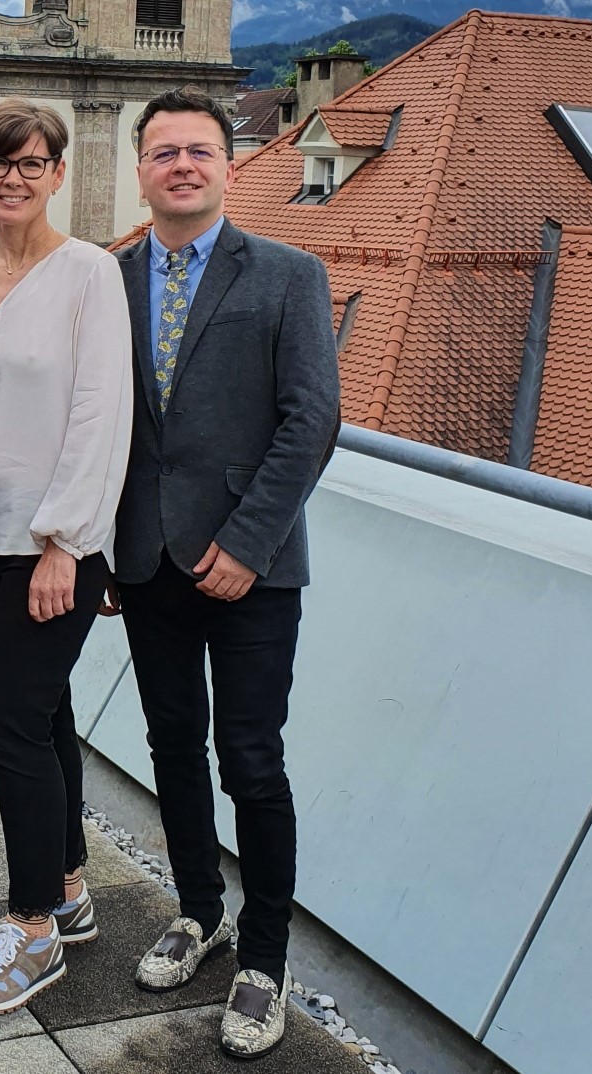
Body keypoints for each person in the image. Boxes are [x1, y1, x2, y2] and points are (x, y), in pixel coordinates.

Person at [107, 87, 340, 1058]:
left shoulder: (289, 274)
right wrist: (104, 540)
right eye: (164, 153)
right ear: (143, 169)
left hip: (254, 567)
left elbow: (311, 420)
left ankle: (265, 960)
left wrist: (246, 544)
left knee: (251, 760)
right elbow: (100, 427)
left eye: (199, 150)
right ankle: (199, 911)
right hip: (147, 559)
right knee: (171, 743)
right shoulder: (109, 281)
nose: (182, 166)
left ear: (230, 165)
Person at [0, 99, 133, 1015]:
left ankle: (33, 924)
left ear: (57, 174)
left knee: (7, 720)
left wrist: (66, 544)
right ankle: (72, 887)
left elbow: (101, 414)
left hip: (54, 548)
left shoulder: (89, 272)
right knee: (43, 716)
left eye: (33, 162)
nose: (14, 176)